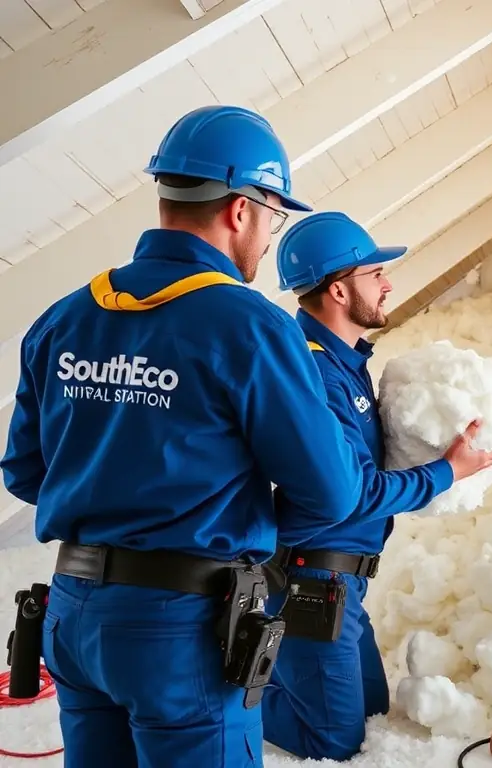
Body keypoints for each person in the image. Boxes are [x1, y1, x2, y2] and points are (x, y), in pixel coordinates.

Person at [1, 106, 366, 768]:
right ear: (239, 209)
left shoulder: (66, 316)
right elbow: (332, 491)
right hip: (182, 628)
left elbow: (26, 473)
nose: (266, 235)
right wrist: (245, 527)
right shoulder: (247, 325)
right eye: (273, 216)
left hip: (75, 615)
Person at [262, 211, 492, 761]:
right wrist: (448, 471)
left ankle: (273, 664)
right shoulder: (317, 373)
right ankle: (227, 692)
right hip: (312, 582)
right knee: (335, 739)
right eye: (375, 273)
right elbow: (351, 492)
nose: (389, 282)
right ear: (337, 289)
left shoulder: (346, 364)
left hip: (341, 582)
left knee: (373, 712)